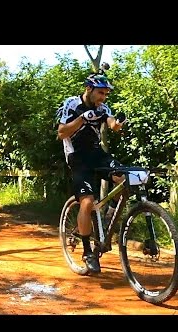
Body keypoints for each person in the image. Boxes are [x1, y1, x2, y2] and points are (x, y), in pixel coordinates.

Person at [56, 70, 126, 275]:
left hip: (96, 153)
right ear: (89, 89)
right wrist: (83, 118)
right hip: (77, 156)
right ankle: (88, 252)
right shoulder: (71, 104)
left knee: (125, 179)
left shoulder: (102, 107)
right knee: (87, 202)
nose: (103, 98)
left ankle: (106, 219)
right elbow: (61, 133)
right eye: (101, 93)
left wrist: (118, 124)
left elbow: (112, 124)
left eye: (106, 94)